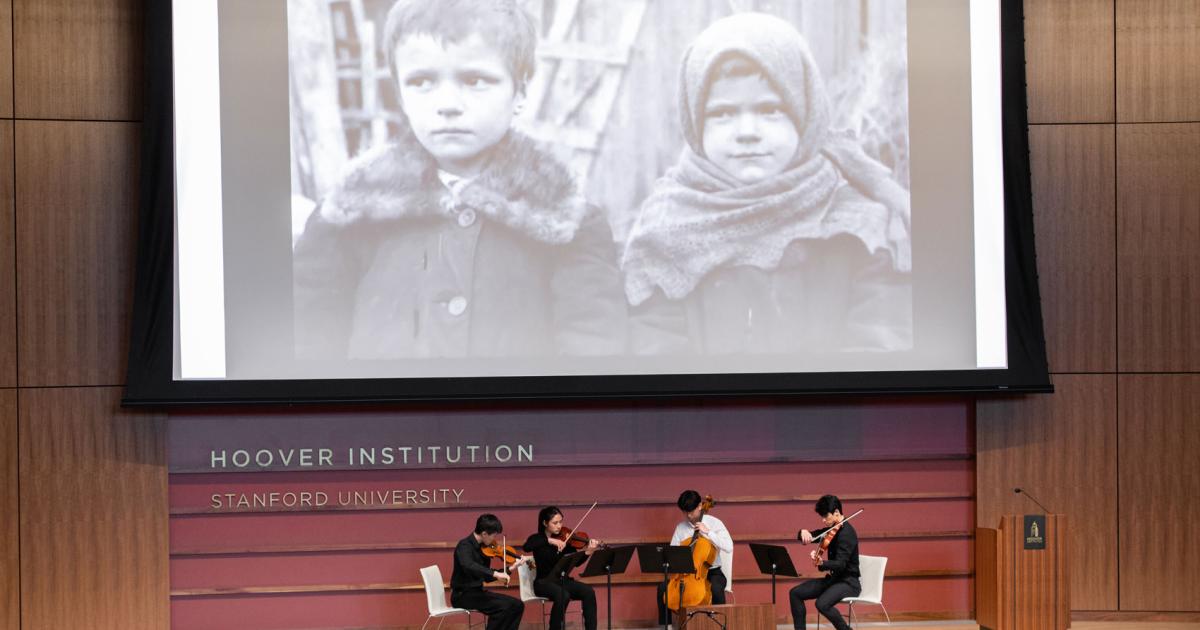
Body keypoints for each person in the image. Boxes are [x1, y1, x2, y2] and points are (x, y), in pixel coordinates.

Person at [293, 0, 626, 360]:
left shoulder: (567, 224)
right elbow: (308, 349)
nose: (447, 103)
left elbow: (594, 354)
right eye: (421, 81)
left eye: (474, 80)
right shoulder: (348, 217)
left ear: (520, 92)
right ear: (401, 95)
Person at [622, 12, 912, 356]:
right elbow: (656, 356)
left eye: (770, 110)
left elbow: (879, 352)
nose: (747, 132)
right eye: (723, 114)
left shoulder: (860, 228)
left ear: (806, 116)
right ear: (694, 125)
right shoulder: (666, 227)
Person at [656, 490, 733, 624]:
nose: (688, 516)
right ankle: (666, 626)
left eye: (691, 511)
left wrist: (709, 533)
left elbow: (729, 546)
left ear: (699, 506)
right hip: (686, 572)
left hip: (712, 572)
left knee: (716, 588)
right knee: (663, 588)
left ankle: (719, 625)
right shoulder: (680, 528)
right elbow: (672, 552)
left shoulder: (715, 523)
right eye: (685, 512)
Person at [522, 506, 601, 630]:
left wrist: (588, 552)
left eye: (561, 522)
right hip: (543, 582)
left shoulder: (566, 540)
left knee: (588, 591)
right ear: (545, 523)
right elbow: (527, 546)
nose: (559, 526)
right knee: (563, 595)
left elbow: (576, 563)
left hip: (562, 581)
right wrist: (550, 541)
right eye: (555, 523)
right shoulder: (537, 539)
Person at [790, 495, 860, 630]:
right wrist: (802, 532)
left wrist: (822, 563)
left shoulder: (847, 534)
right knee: (795, 593)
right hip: (834, 580)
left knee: (821, 604)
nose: (823, 520)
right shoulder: (832, 530)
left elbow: (841, 565)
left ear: (837, 513)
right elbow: (813, 536)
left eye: (825, 516)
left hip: (848, 583)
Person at [450, 514, 526, 630]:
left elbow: (487, 577)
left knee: (517, 605)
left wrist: (511, 568)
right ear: (484, 533)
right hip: (462, 595)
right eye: (493, 536)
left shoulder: (485, 549)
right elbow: (469, 565)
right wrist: (495, 574)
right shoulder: (464, 546)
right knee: (502, 608)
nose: (494, 540)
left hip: (477, 593)